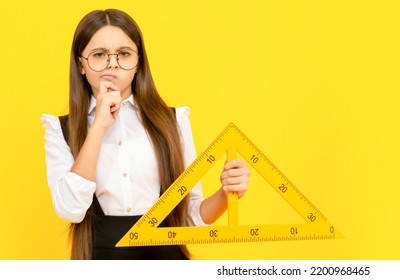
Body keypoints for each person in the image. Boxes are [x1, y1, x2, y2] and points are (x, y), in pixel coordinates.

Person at [40, 9, 250, 260]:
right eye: (99, 55)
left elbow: (190, 216)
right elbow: (71, 209)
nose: (113, 64)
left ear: (139, 62)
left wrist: (226, 194)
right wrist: (98, 127)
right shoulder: (59, 129)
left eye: (124, 54)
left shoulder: (173, 121)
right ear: (81, 64)